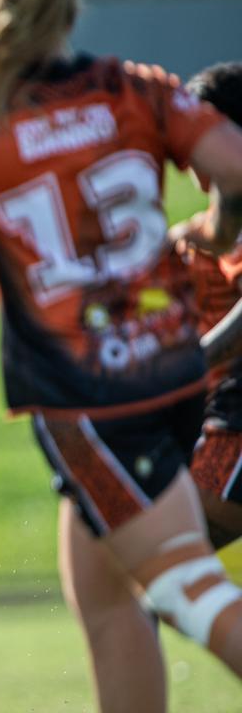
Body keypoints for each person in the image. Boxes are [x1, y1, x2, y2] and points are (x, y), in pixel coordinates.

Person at [0, 0, 242, 711]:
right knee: (106, 594)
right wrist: (219, 226)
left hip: (89, 400)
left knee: (183, 585)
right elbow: (234, 166)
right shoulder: (136, 87)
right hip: (176, 375)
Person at [178, 62, 242, 547]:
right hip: (224, 410)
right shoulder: (215, 228)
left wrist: (192, 363)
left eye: (199, 133)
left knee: (159, 556)